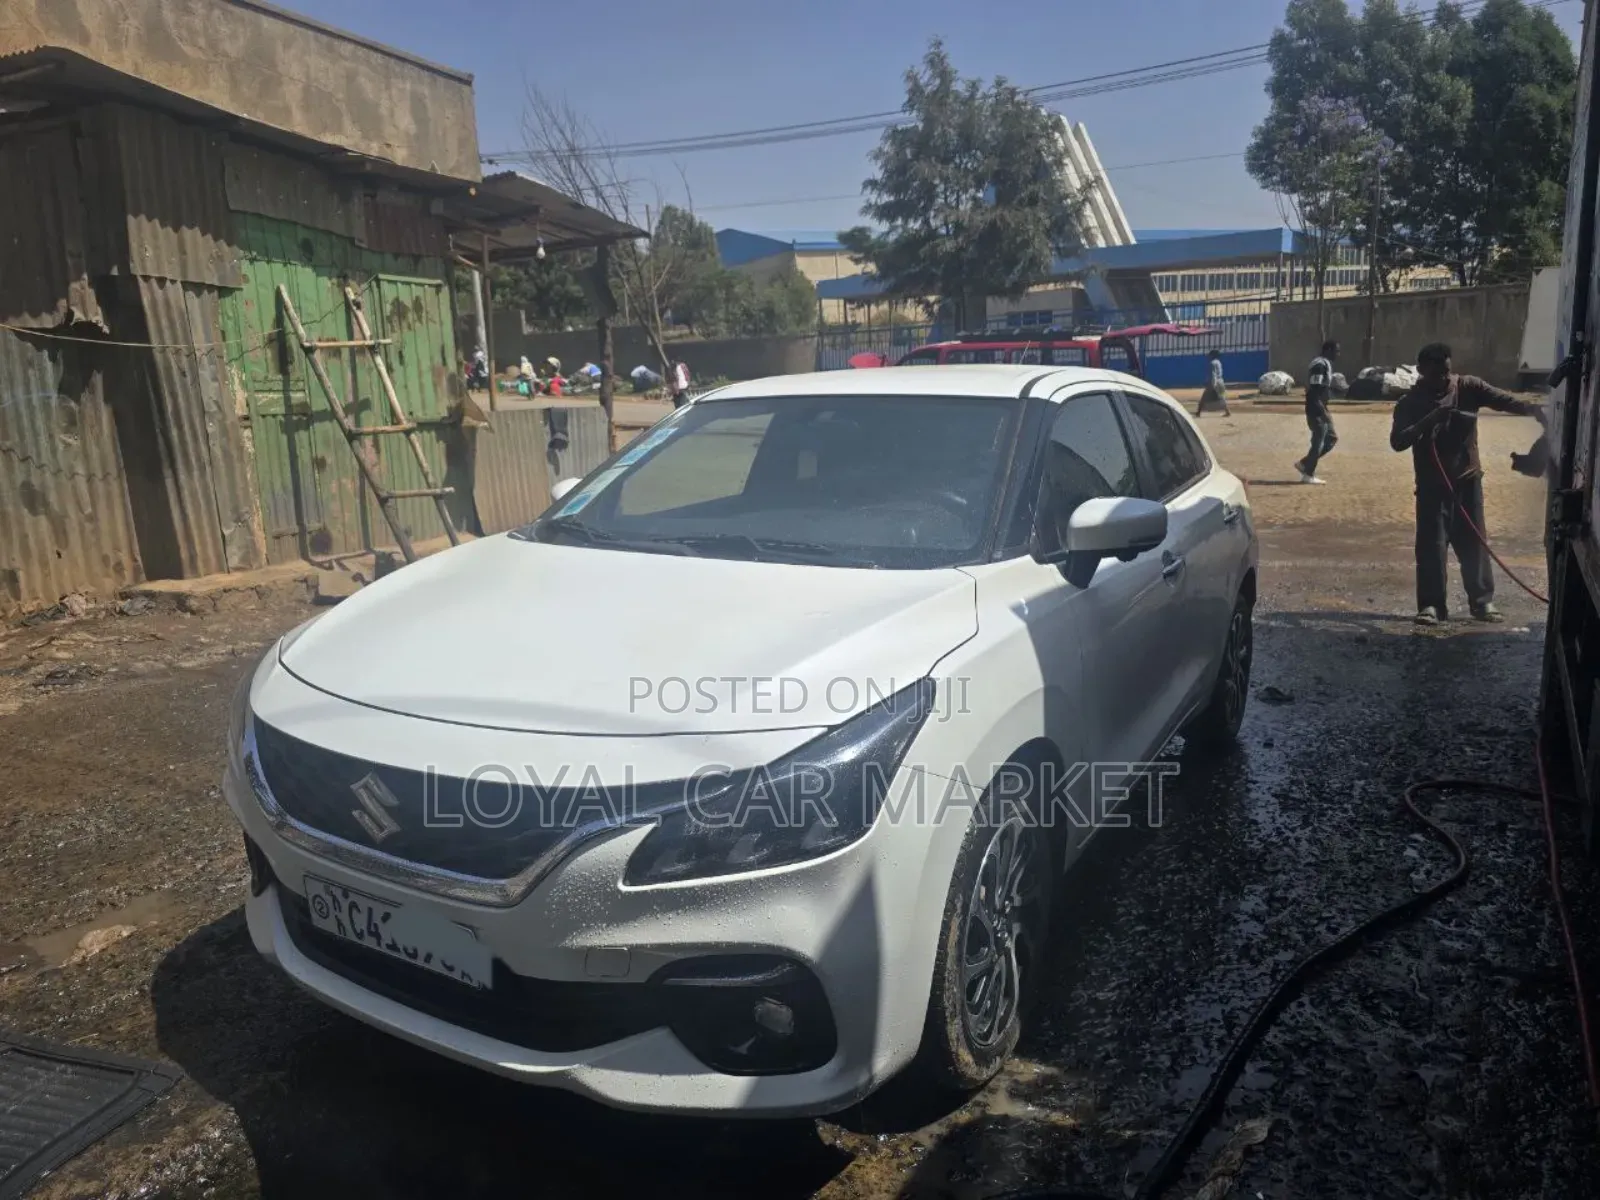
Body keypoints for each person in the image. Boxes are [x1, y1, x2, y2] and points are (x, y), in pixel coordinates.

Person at [1389, 342, 1546, 625]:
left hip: (1467, 482)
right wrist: (1429, 421)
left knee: (1474, 542)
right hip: (1432, 488)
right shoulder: (1409, 402)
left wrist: (1535, 410)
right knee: (1432, 547)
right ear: (1422, 371)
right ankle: (1432, 606)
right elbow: (1398, 441)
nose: (1443, 379)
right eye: (1436, 373)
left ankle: (1482, 602)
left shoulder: (1468, 387)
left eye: (1446, 372)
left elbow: (1505, 400)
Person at [1295, 340, 1339, 484]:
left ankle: (1305, 463)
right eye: (1336, 351)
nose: (1338, 354)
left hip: (1321, 407)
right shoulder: (1319, 365)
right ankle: (1308, 474)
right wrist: (1321, 410)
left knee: (1331, 438)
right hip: (1316, 408)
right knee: (1318, 441)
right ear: (1328, 350)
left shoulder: (1325, 364)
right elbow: (1313, 391)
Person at [1196, 350, 1231, 417]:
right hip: (1221, 381)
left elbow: (1213, 375)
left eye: (1210, 355)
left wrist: (1213, 385)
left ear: (1212, 355)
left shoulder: (1212, 363)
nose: (1209, 356)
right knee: (1221, 398)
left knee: (1204, 398)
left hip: (1215, 382)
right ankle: (1228, 412)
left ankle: (1198, 412)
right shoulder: (1219, 362)